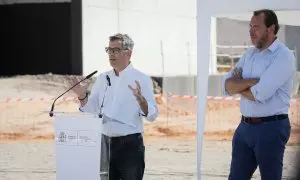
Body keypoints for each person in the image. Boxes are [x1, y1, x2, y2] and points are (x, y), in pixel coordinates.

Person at [70, 33, 159, 180]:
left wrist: (141, 100)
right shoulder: (102, 78)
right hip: (104, 143)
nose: (111, 54)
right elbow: (91, 109)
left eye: (116, 50)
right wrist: (81, 95)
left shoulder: (141, 79)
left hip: (129, 145)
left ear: (128, 53)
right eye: (109, 50)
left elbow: (152, 114)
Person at [222, 9, 296, 180]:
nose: (251, 31)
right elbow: (227, 86)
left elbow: (260, 94)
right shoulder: (250, 54)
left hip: (271, 128)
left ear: (271, 29)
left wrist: (239, 85)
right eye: (250, 26)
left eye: (256, 27)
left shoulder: (283, 57)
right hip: (244, 128)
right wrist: (251, 82)